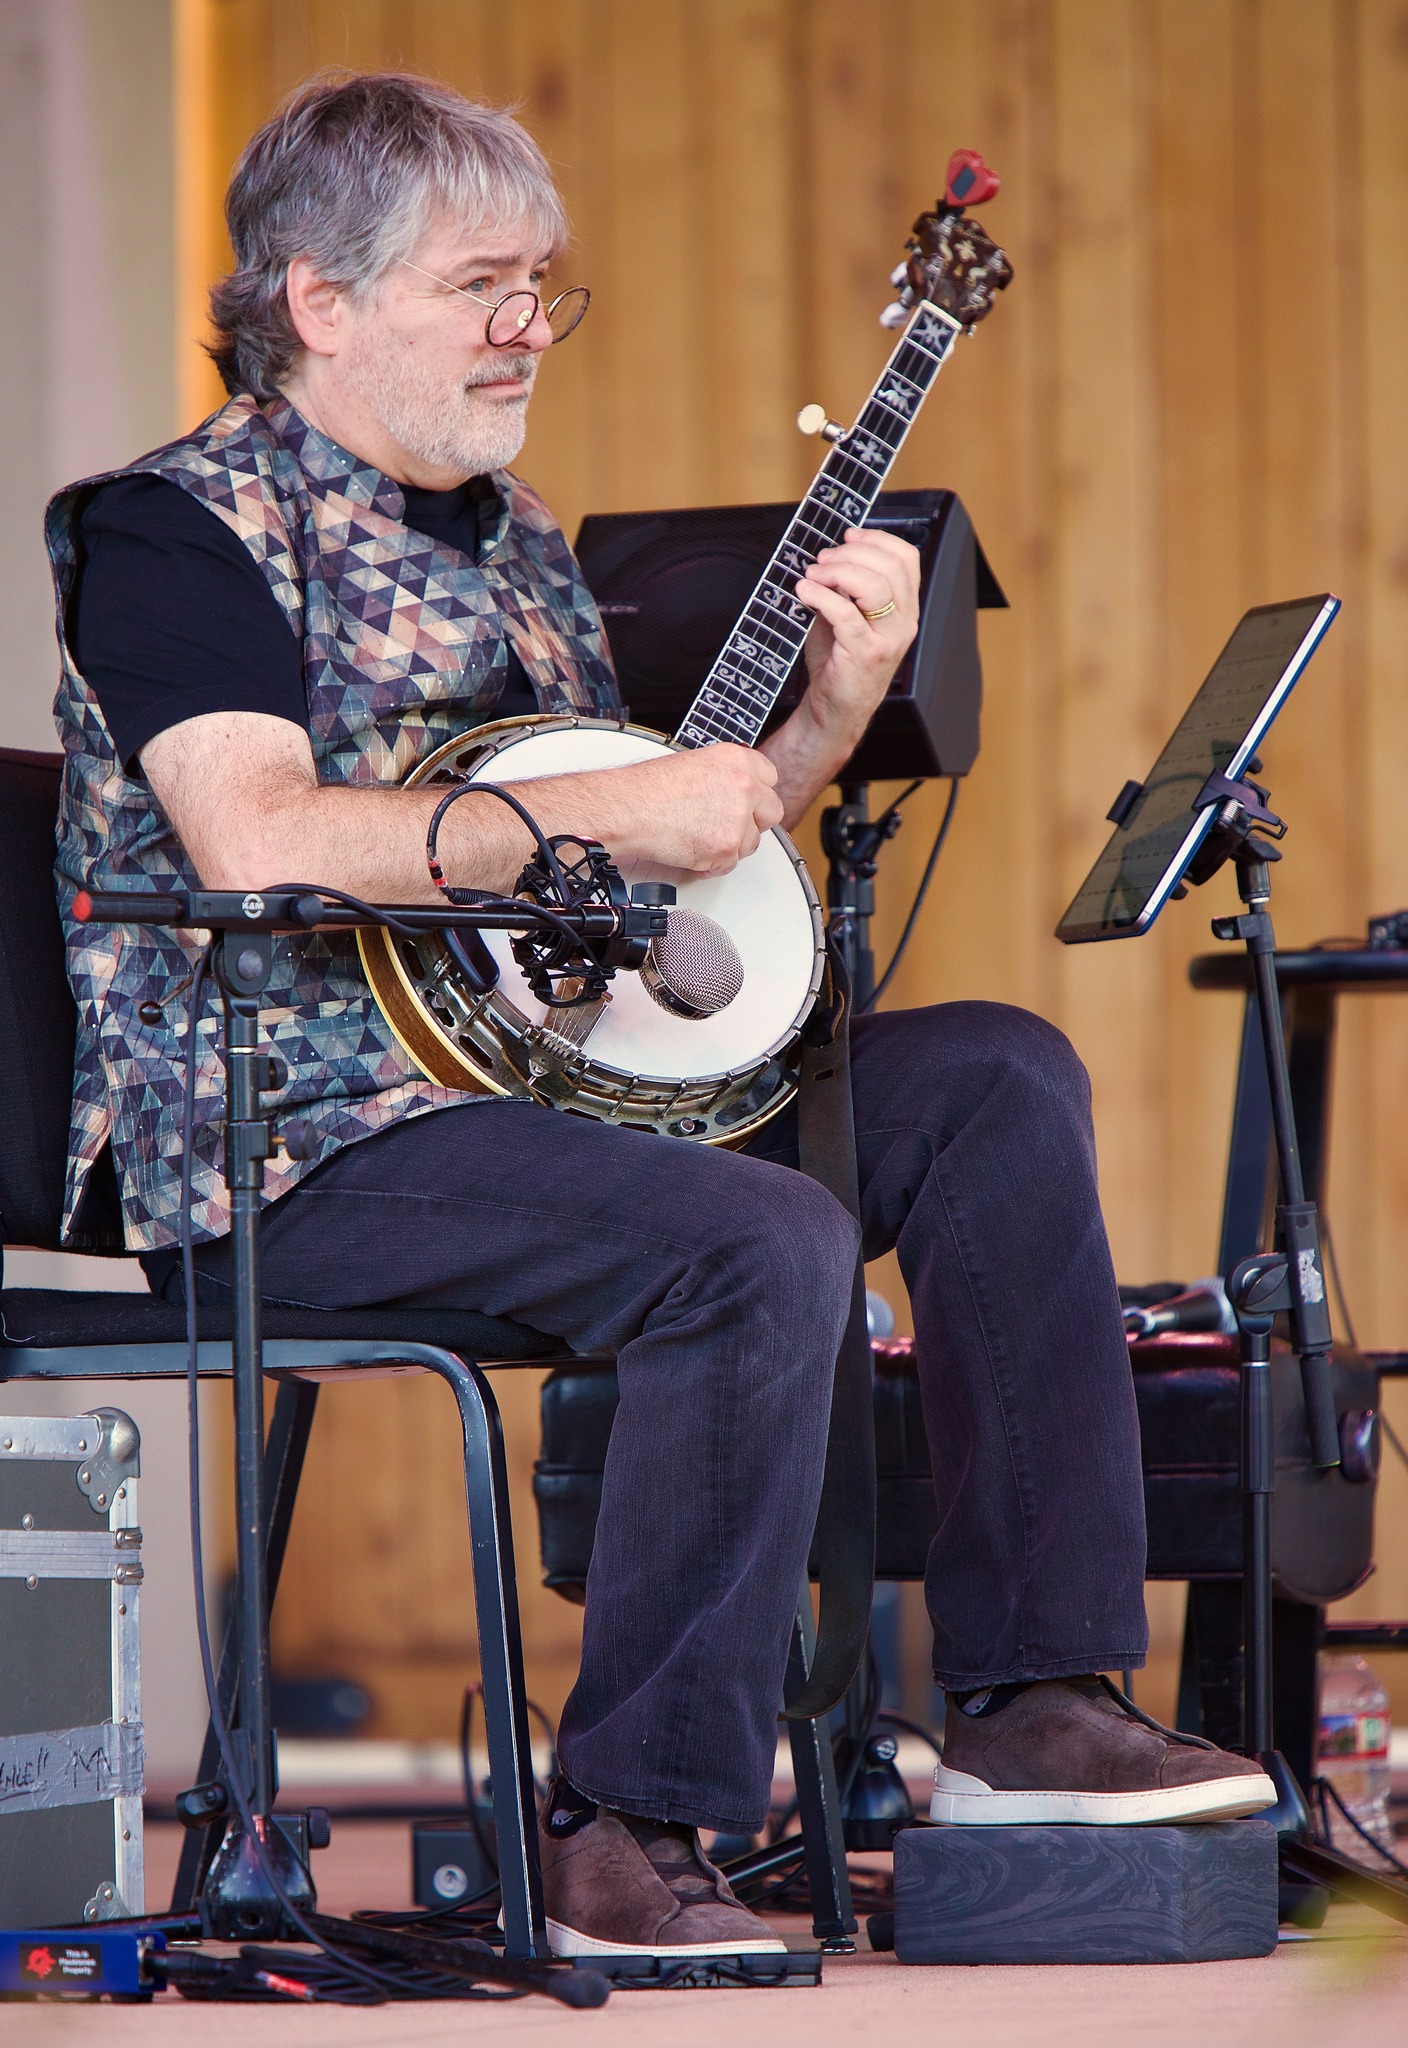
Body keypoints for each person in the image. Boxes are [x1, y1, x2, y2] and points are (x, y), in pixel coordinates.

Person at [47, 73, 1272, 1959]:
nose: (529, 326)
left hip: (559, 1100)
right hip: (288, 1135)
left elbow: (646, 880)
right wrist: (625, 803)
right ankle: (633, 1824)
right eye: (483, 286)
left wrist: (816, 730)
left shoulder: (523, 541)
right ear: (316, 300)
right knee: (756, 1236)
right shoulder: (167, 531)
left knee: (994, 1077)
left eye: (548, 285)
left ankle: (1032, 1699)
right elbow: (259, 832)